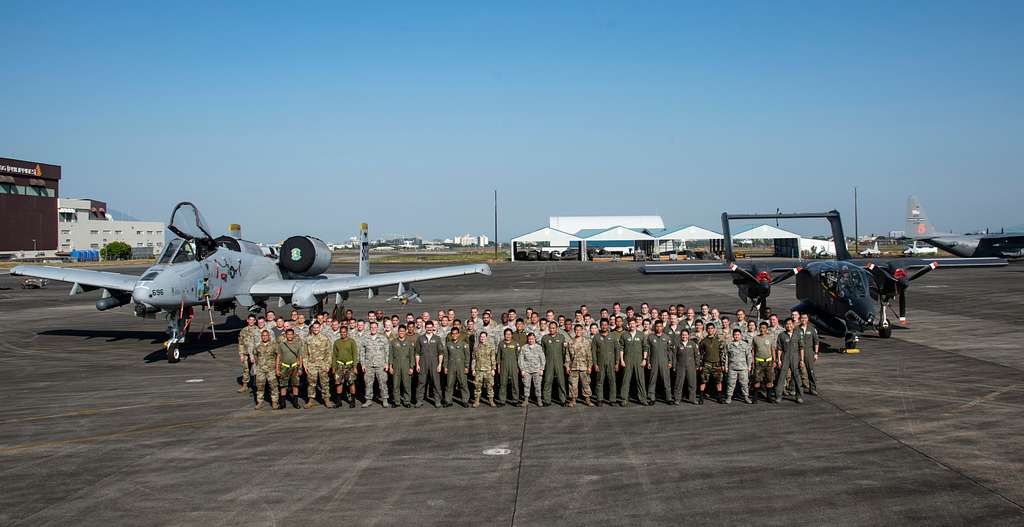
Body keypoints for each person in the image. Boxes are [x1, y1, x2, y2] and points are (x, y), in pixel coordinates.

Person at [360, 322, 392, 408]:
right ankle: (368, 400)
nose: (373, 328)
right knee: (368, 383)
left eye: (375, 327)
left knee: (383, 383)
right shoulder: (365, 338)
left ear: (377, 328)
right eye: (372, 327)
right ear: (369, 328)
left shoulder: (383, 338)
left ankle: (385, 400)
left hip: (380, 364)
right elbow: (362, 352)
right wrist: (362, 364)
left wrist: (386, 363)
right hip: (368, 364)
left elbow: (387, 352)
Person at [414, 321, 445, 408]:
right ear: (425, 328)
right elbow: (417, 353)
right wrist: (417, 364)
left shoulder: (437, 338)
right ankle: (419, 400)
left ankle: (437, 400)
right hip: (423, 363)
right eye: (427, 327)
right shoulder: (420, 338)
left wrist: (439, 364)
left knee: (436, 382)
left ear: (433, 328)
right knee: (421, 382)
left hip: (434, 363)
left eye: (430, 327)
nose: (429, 329)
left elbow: (441, 353)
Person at [618, 318, 648, 407]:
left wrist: (644, 359)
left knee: (641, 380)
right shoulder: (624, 335)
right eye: (630, 324)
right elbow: (621, 348)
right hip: (627, 360)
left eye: (633, 323)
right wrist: (622, 360)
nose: (632, 325)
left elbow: (645, 348)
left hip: (639, 360)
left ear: (636, 324)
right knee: (625, 380)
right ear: (628, 325)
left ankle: (643, 399)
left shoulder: (641, 334)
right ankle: (624, 399)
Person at [773, 318, 804, 404]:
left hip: (795, 356)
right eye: (787, 324)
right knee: (781, 376)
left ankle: (799, 396)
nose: (789, 326)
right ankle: (778, 396)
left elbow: (801, 348)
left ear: (793, 325)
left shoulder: (798, 334)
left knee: (797, 377)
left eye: (790, 324)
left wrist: (801, 360)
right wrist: (778, 360)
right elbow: (779, 349)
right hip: (785, 356)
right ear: (784, 325)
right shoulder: (781, 335)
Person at [303, 322, 333, 408]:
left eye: (317, 327)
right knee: (311, 383)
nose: (316, 329)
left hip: (323, 364)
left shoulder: (325, 339)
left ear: (320, 328)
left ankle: (326, 399)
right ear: (312, 328)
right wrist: (305, 365)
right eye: (314, 327)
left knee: (325, 383)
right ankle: (311, 400)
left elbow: (329, 353)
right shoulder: (308, 339)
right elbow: (305, 354)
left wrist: (328, 365)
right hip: (311, 365)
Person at [645, 321, 673, 405]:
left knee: (666, 380)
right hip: (654, 361)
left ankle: (668, 398)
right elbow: (648, 351)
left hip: (664, 361)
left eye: (660, 326)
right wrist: (648, 362)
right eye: (657, 326)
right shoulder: (650, 337)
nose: (658, 328)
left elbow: (670, 351)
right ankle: (651, 398)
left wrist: (670, 361)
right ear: (654, 327)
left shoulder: (667, 337)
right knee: (652, 380)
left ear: (662, 327)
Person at [565, 325, 594, 407]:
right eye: (576, 330)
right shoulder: (570, 342)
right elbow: (567, 356)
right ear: (574, 331)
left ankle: (587, 399)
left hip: (584, 366)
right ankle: (573, 399)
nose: (578, 332)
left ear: (582, 331)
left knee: (586, 383)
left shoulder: (587, 342)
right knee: (573, 384)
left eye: (579, 330)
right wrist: (567, 366)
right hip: (573, 366)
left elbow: (589, 355)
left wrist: (589, 366)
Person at [540, 321, 569, 406]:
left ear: (557, 329)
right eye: (550, 328)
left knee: (561, 381)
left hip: (559, 363)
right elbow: (543, 352)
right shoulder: (545, 338)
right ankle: (547, 400)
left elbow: (564, 351)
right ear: (548, 328)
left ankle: (563, 400)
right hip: (549, 363)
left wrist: (564, 363)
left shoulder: (561, 337)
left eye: (553, 328)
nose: (552, 329)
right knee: (547, 381)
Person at [276, 328, 305, 409]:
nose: (289, 336)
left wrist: (300, 368)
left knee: (295, 385)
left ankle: (295, 403)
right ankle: (282, 403)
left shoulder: (297, 344)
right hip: (284, 367)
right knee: (283, 386)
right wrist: (277, 369)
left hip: (294, 367)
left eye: (291, 334)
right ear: (285, 335)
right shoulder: (281, 345)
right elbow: (278, 357)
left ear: (293, 335)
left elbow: (300, 357)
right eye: (288, 334)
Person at [591, 320, 618, 406]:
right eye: (602, 325)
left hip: (611, 362)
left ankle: (612, 399)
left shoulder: (612, 336)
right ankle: (599, 399)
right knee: (599, 381)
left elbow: (617, 350)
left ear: (608, 326)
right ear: (600, 326)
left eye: (606, 325)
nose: (604, 326)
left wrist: (617, 363)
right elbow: (593, 352)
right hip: (600, 362)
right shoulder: (596, 337)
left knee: (612, 381)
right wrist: (595, 364)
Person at [331, 325, 359, 408]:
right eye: (341, 332)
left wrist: (354, 366)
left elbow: (355, 354)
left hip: (350, 365)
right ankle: (338, 401)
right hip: (339, 365)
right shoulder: (336, 342)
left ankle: (352, 401)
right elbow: (334, 355)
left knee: (351, 383)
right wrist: (333, 367)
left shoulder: (352, 341)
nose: (343, 334)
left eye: (344, 332)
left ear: (347, 332)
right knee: (338, 383)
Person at [443, 327, 471, 407]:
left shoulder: (464, 344)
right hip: (451, 366)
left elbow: (467, 356)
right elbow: (446, 356)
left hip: (461, 366)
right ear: (451, 335)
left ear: (458, 334)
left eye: (456, 333)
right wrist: (445, 367)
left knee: (463, 383)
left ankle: (465, 400)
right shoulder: (448, 344)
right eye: (453, 333)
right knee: (449, 384)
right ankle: (448, 401)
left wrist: (466, 367)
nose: (454, 335)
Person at [698, 323, 726, 403]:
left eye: (712, 328)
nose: (710, 330)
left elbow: (722, 353)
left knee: (718, 381)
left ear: (714, 329)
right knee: (703, 381)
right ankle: (701, 397)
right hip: (706, 364)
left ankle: (719, 397)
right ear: (706, 330)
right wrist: (701, 365)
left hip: (717, 364)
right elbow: (700, 354)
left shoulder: (719, 340)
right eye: (709, 328)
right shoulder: (703, 341)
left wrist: (722, 364)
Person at [389, 325, 416, 408]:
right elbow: (390, 355)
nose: (401, 333)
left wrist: (411, 367)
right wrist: (390, 366)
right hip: (396, 365)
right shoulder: (393, 342)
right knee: (395, 384)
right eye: (400, 331)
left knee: (406, 384)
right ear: (398, 332)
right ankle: (397, 402)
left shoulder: (409, 342)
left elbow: (412, 355)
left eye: (403, 331)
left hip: (406, 365)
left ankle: (406, 401)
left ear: (405, 332)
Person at [724, 329, 753, 404]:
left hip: (743, 368)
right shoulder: (729, 345)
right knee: (730, 383)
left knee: (744, 384)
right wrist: (726, 367)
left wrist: (749, 366)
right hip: (732, 368)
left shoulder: (745, 345)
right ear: (733, 335)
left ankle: (746, 397)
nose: (736, 336)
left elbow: (749, 356)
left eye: (738, 335)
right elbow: (726, 357)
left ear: (741, 335)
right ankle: (729, 397)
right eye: (735, 335)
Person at [253, 329, 279, 410]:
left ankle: (274, 402)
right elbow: (255, 355)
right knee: (260, 386)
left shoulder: (274, 345)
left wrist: (276, 367)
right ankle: (259, 402)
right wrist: (259, 364)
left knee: (273, 386)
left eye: (266, 335)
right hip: (260, 370)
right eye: (263, 336)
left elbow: (278, 356)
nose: (264, 337)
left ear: (269, 336)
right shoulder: (257, 346)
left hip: (271, 369)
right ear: (261, 337)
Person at [750, 322, 776, 404]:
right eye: (761, 328)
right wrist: (753, 361)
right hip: (759, 362)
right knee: (757, 380)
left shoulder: (770, 337)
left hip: (769, 362)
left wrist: (774, 360)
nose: (762, 329)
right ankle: (755, 397)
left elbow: (772, 349)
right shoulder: (755, 338)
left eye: (764, 328)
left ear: (767, 329)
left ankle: (769, 397)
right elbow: (753, 350)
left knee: (769, 380)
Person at [672, 329, 700, 405]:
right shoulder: (677, 344)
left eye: (685, 335)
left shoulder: (693, 344)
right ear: (681, 336)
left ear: (688, 335)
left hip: (691, 366)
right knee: (678, 383)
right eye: (683, 335)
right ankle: (677, 399)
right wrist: (674, 365)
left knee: (692, 383)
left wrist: (697, 365)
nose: (684, 336)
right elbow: (674, 356)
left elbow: (697, 355)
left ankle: (693, 399)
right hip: (680, 366)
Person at [518, 332, 546, 406]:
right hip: (527, 370)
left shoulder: (539, 347)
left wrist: (542, 369)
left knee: (538, 385)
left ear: (535, 339)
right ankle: (526, 400)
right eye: (529, 339)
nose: (531, 340)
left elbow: (542, 358)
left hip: (537, 370)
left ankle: (539, 400)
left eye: (532, 339)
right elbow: (521, 359)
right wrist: (522, 370)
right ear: (528, 339)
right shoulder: (524, 347)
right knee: (526, 385)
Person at [472, 332, 497, 407]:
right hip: (478, 370)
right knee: (477, 386)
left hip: (488, 370)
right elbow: (474, 359)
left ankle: (491, 401)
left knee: (490, 386)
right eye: (481, 337)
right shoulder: (476, 347)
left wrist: (493, 369)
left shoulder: (490, 347)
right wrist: (473, 369)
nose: (482, 338)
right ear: (479, 338)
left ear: (486, 337)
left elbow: (493, 358)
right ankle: (477, 401)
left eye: (484, 337)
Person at [496, 328, 521, 406]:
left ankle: (515, 400)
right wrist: (499, 367)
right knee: (503, 383)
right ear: (504, 335)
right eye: (506, 334)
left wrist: (518, 367)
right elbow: (498, 356)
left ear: (511, 335)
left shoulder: (515, 344)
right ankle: (502, 401)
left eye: (509, 334)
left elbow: (518, 357)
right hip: (504, 365)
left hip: (513, 365)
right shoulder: (501, 344)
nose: (508, 336)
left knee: (515, 383)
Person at [797, 313, 820, 395]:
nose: (803, 319)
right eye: (802, 318)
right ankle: (798, 389)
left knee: (811, 371)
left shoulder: (811, 329)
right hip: (798, 352)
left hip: (809, 352)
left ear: (808, 319)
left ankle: (813, 388)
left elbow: (816, 342)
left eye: (805, 318)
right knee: (798, 370)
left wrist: (816, 353)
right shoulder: (797, 329)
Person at [237, 314, 258, 393]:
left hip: (255, 354)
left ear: (255, 321)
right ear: (247, 320)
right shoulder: (243, 330)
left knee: (256, 370)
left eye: (253, 320)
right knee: (246, 370)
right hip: (246, 353)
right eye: (250, 319)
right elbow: (241, 343)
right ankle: (245, 385)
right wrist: (241, 355)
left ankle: (257, 386)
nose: (251, 321)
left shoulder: (258, 329)